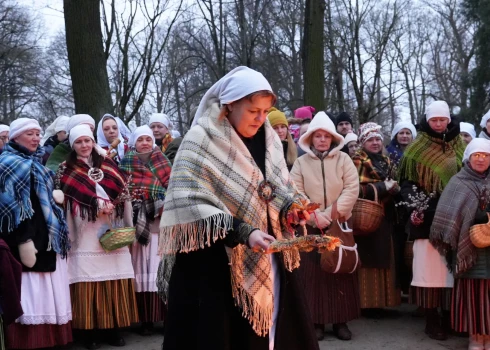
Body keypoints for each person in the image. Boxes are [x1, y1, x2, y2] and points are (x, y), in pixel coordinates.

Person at [157, 66, 319, 350]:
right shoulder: (201, 140)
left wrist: (291, 208)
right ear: (230, 105)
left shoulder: (269, 139)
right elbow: (189, 202)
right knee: (222, 334)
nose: (261, 119)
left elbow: (277, 187)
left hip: (268, 252)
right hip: (216, 262)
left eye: (266, 112)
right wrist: (243, 231)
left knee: (276, 330)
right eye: (254, 110)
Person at [58, 125, 138, 349]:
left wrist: (117, 203)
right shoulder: (67, 168)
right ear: (72, 145)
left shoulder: (108, 164)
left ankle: (113, 330)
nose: (84, 145)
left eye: (87, 141)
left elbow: (124, 190)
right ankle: (88, 333)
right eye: (78, 142)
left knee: (113, 278)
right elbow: (66, 199)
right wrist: (94, 206)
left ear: (93, 142)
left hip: (111, 228)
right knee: (87, 278)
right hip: (85, 232)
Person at [0, 118, 72, 349]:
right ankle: (29, 342)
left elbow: (37, 197)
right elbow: (6, 205)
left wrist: (54, 197)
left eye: (38, 134)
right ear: (15, 137)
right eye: (30, 134)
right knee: (30, 293)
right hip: (23, 236)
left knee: (47, 292)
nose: (36, 138)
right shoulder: (6, 163)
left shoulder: (37, 163)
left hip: (45, 237)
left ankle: (50, 340)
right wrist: (22, 239)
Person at [398, 100, 465, 340]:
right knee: (429, 271)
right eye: (434, 120)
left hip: (454, 215)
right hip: (426, 217)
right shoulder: (416, 148)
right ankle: (431, 319)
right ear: (427, 121)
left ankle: (450, 317)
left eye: (442, 119)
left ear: (448, 119)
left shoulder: (459, 144)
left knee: (452, 270)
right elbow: (406, 182)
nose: (438, 124)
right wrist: (416, 206)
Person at [291, 112, 360, 341]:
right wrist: (313, 216)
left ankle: (341, 322)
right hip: (310, 227)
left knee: (340, 269)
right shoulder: (300, 163)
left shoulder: (344, 160)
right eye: (317, 136)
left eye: (326, 136)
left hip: (339, 223)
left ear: (333, 138)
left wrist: (330, 214)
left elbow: (352, 188)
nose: (322, 140)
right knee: (313, 274)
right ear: (310, 139)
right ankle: (317, 321)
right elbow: (295, 192)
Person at [429, 138, 490, 350]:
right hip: (468, 250)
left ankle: (488, 337)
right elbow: (447, 214)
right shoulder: (458, 182)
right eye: (476, 155)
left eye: (486, 155)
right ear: (468, 158)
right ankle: (475, 336)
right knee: (473, 295)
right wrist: (475, 218)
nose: (481, 159)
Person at [119, 125, 171, 335]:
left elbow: (173, 187)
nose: (145, 143)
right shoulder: (125, 164)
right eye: (140, 140)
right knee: (141, 269)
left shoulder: (163, 162)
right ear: (133, 143)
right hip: (138, 223)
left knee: (162, 270)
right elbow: (122, 190)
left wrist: (160, 204)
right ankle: (145, 320)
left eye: (148, 139)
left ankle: (166, 317)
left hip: (160, 223)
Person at [352, 122, 402, 317]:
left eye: (377, 139)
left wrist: (395, 189)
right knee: (369, 258)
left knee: (384, 257)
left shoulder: (386, 161)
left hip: (384, 216)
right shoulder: (358, 161)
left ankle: (382, 301)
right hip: (365, 215)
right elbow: (354, 189)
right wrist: (382, 187)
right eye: (370, 139)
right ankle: (367, 303)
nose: (375, 143)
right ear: (363, 142)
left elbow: (391, 183)